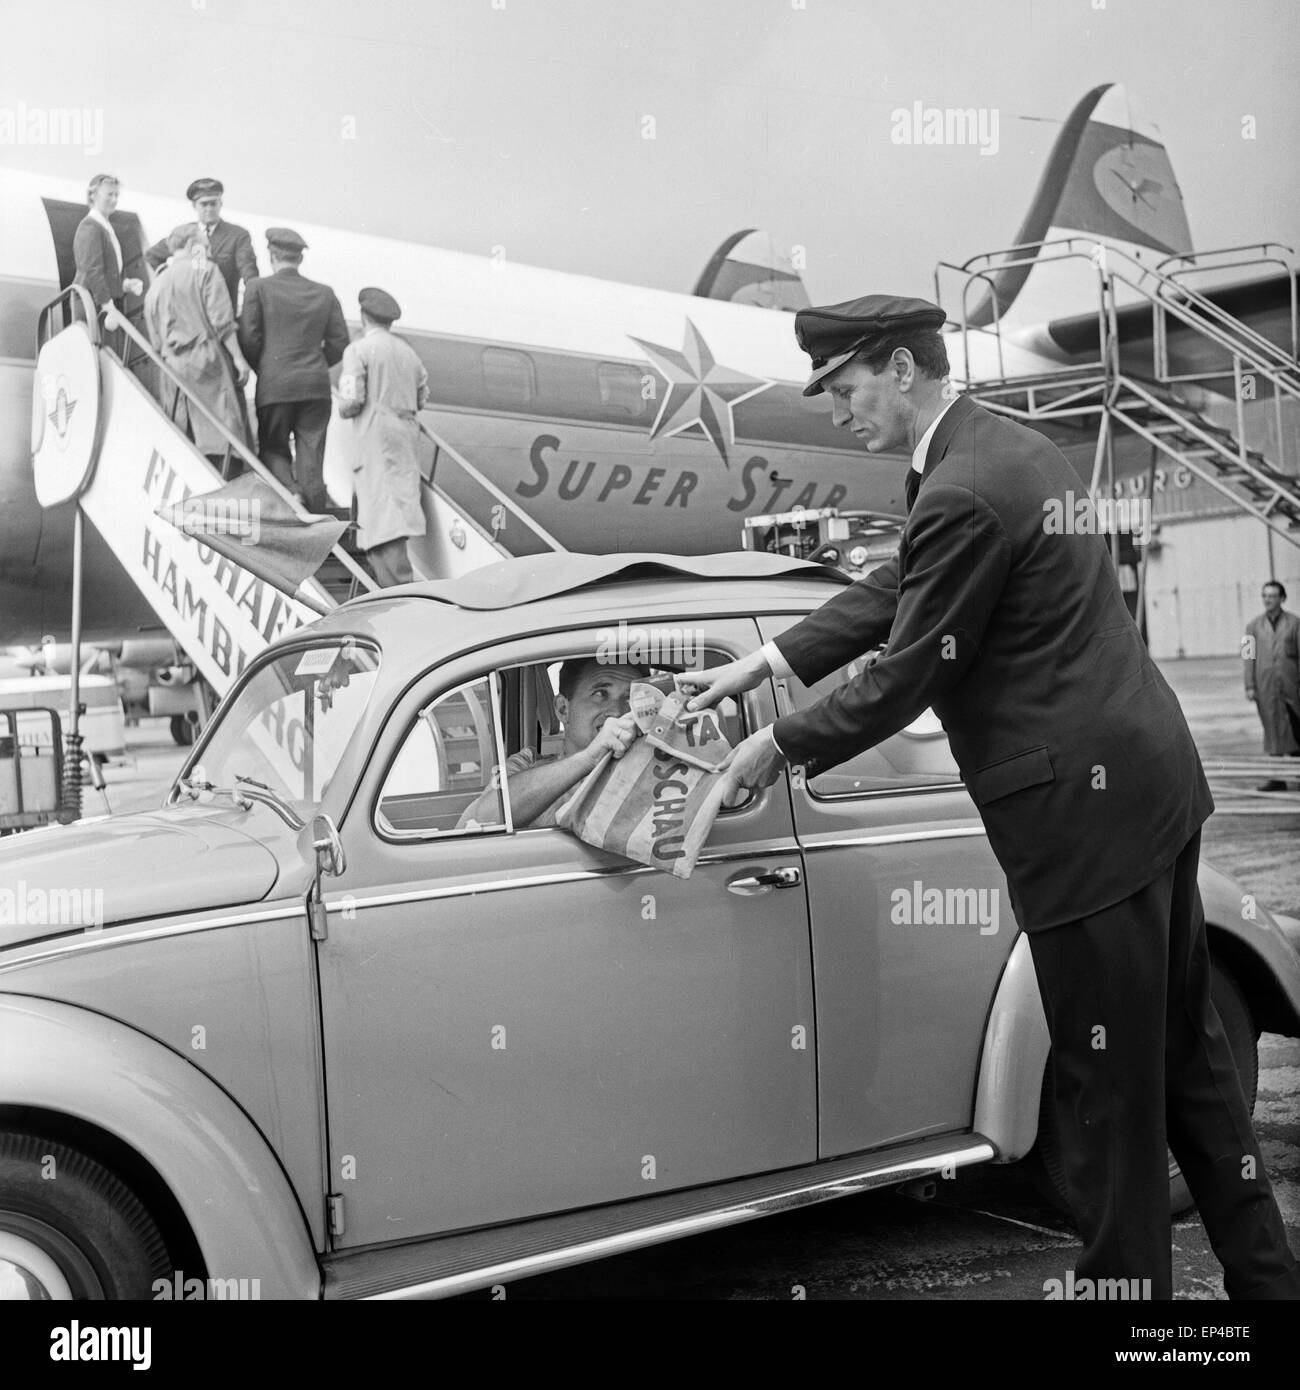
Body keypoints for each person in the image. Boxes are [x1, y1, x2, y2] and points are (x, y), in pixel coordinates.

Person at [687, 293, 1300, 1301]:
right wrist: (763, 662)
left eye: (843, 389)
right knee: (1185, 1064)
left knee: (1105, 1098)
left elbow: (912, 666)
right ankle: (1265, 1286)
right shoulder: (997, 450)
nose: (838, 411)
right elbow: (901, 587)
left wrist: (777, 742)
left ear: (896, 365)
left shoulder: (961, 484)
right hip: (1148, 793)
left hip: (1083, 826)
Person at [458, 660, 646, 829]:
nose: (617, 711)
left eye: (630, 698)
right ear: (563, 709)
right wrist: (590, 758)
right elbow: (484, 818)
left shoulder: (655, 766)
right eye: (600, 694)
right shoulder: (526, 763)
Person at [237, 228, 348, 513]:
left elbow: (249, 337)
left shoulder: (258, 288)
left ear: (272, 255)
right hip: (316, 388)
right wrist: (316, 364)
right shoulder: (325, 293)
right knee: (311, 456)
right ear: (300, 258)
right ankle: (315, 517)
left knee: (273, 448)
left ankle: (290, 492)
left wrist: (266, 366)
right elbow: (339, 342)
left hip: (275, 385)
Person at [335, 287, 429, 585]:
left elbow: (351, 402)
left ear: (363, 317)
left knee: (380, 528)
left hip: (376, 442)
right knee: (393, 516)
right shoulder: (409, 353)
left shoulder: (358, 351)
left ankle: (402, 600)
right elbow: (423, 396)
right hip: (405, 440)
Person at [144, 225, 252, 470]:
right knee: (223, 439)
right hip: (206, 363)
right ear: (193, 246)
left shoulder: (157, 283)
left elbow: (155, 341)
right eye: (205, 244)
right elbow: (222, 320)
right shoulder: (204, 269)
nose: (208, 249)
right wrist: (238, 358)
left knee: (185, 442)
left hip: (172, 369)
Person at [145, 178, 259, 314]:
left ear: (220, 204)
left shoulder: (238, 236)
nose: (209, 209)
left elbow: (250, 275)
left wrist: (252, 309)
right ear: (194, 206)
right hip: (187, 315)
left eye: (213, 203)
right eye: (204, 204)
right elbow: (152, 255)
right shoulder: (184, 234)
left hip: (222, 315)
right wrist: (170, 279)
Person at [72, 174, 144, 356]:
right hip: (94, 303)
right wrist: (106, 304)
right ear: (93, 196)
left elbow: (107, 273)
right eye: (109, 194)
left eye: (116, 196)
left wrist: (125, 285)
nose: (114, 200)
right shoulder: (90, 226)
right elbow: (92, 270)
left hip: (102, 303)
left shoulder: (103, 226)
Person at [1245, 580, 1300, 790]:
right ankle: (1277, 779)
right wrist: (1249, 684)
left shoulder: (1295, 624)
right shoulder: (1252, 627)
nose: (1267, 599)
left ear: (1282, 598)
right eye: (1264, 595)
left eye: (1272, 596)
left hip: (1291, 686)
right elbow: (1247, 657)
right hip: (1265, 686)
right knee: (1272, 730)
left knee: (1296, 729)